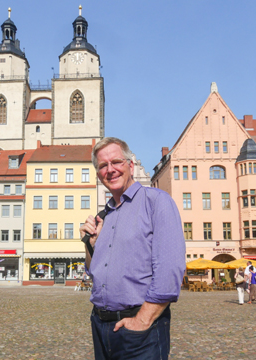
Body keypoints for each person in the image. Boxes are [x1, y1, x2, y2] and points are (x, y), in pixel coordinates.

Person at [80, 137, 186, 360]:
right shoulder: (103, 216)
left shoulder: (156, 202)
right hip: (100, 325)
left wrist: (142, 320)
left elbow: (170, 270)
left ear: (131, 165)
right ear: (99, 174)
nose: (110, 170)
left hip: (140, 329)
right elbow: (92, 270)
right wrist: (89, 245)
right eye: (102, 166)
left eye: (116, 162)